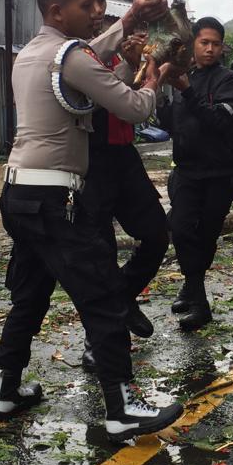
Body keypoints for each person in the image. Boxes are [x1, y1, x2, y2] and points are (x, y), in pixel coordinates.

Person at [0, 0, 182, 442]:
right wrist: (154, 77)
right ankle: (122, 408)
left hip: (18, 193)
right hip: (55, 197)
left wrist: (130, 20)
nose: (97, 11)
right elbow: (135, 107)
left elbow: (90, 60)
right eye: (87, 5)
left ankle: (6, 390)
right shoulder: (70, 55)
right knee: (104, 298)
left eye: (100, 3)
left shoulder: (31, 53)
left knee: (30, 295)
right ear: (57, 10)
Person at [79, 20, 170, 372]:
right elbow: (98, 99)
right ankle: (97, 341)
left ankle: (122, 296)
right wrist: (130, 69)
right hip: (90, 160)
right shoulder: (77, 60)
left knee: (157, 235)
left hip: (124, 157)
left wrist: (141, 67)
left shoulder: (127, 60)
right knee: (99, 254)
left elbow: (138, 105)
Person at [158, 17, 233, 331]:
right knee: (181, 228)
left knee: (207, 235)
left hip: (219, 173)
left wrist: (186, 91)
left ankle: (192, 289)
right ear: (193, 44)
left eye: (215, 44)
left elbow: (219, 122)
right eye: (204, 43)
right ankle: (198, 298)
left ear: (222, 47)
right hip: (186, 171)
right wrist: (160, 92)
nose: (210, 49)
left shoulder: (231, 82)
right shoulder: (181, 77)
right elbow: (170, 123)